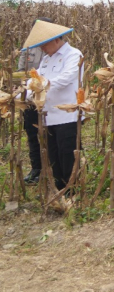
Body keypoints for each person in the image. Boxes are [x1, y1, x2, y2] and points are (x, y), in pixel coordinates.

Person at [20, 20, 83, 191]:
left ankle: (72, 190)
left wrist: (41, 85)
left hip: (67, 115)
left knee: (67, 153)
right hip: (48, 116)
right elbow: (35, 82)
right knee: (54, 155)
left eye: (44, 44)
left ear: (56, 39)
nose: (41, 48)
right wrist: (18, 95)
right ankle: (59, 188)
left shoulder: (73, 55)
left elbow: (65, 79)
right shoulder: (46, 60)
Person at [17, 17, 50, 184]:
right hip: (30, 98)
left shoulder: (56, 49)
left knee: (50, 134)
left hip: (49, 98)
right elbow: (21, 72)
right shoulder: (27, 48)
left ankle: (51, 168)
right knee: (32, 134)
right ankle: (36, 168)